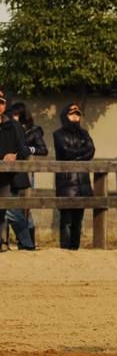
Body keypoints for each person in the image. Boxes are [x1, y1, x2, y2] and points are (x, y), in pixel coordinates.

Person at [6, 102, 48, 250]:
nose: (14, 117)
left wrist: (27, 149)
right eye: (13, 114)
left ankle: (27, 243)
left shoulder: (33, 131)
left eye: (17, 114)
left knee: (20, 210)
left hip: (23, 173)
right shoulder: (8, 128)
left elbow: (43, 150)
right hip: (7, 173)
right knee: (11, 209)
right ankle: (12, 242)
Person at [54, 103, 95, 250]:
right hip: (66, 180)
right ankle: (65, 248)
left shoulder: (84, 133)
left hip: (82, 181)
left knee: (78, 219)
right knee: (66, 219)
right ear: (65, 116)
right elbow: (65, 151)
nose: (75, 117)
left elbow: (91, 151)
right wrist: (81, 154)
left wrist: (77, 156)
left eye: (77, 114)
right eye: (72, 114)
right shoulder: (58, 134)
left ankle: (75, 248)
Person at [0, 90, 29, 250]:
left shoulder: (14, 126)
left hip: (7, 178)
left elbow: (25, 149)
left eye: (1, 102)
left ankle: (23, 243)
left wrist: (15, 155)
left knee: (7, 211)